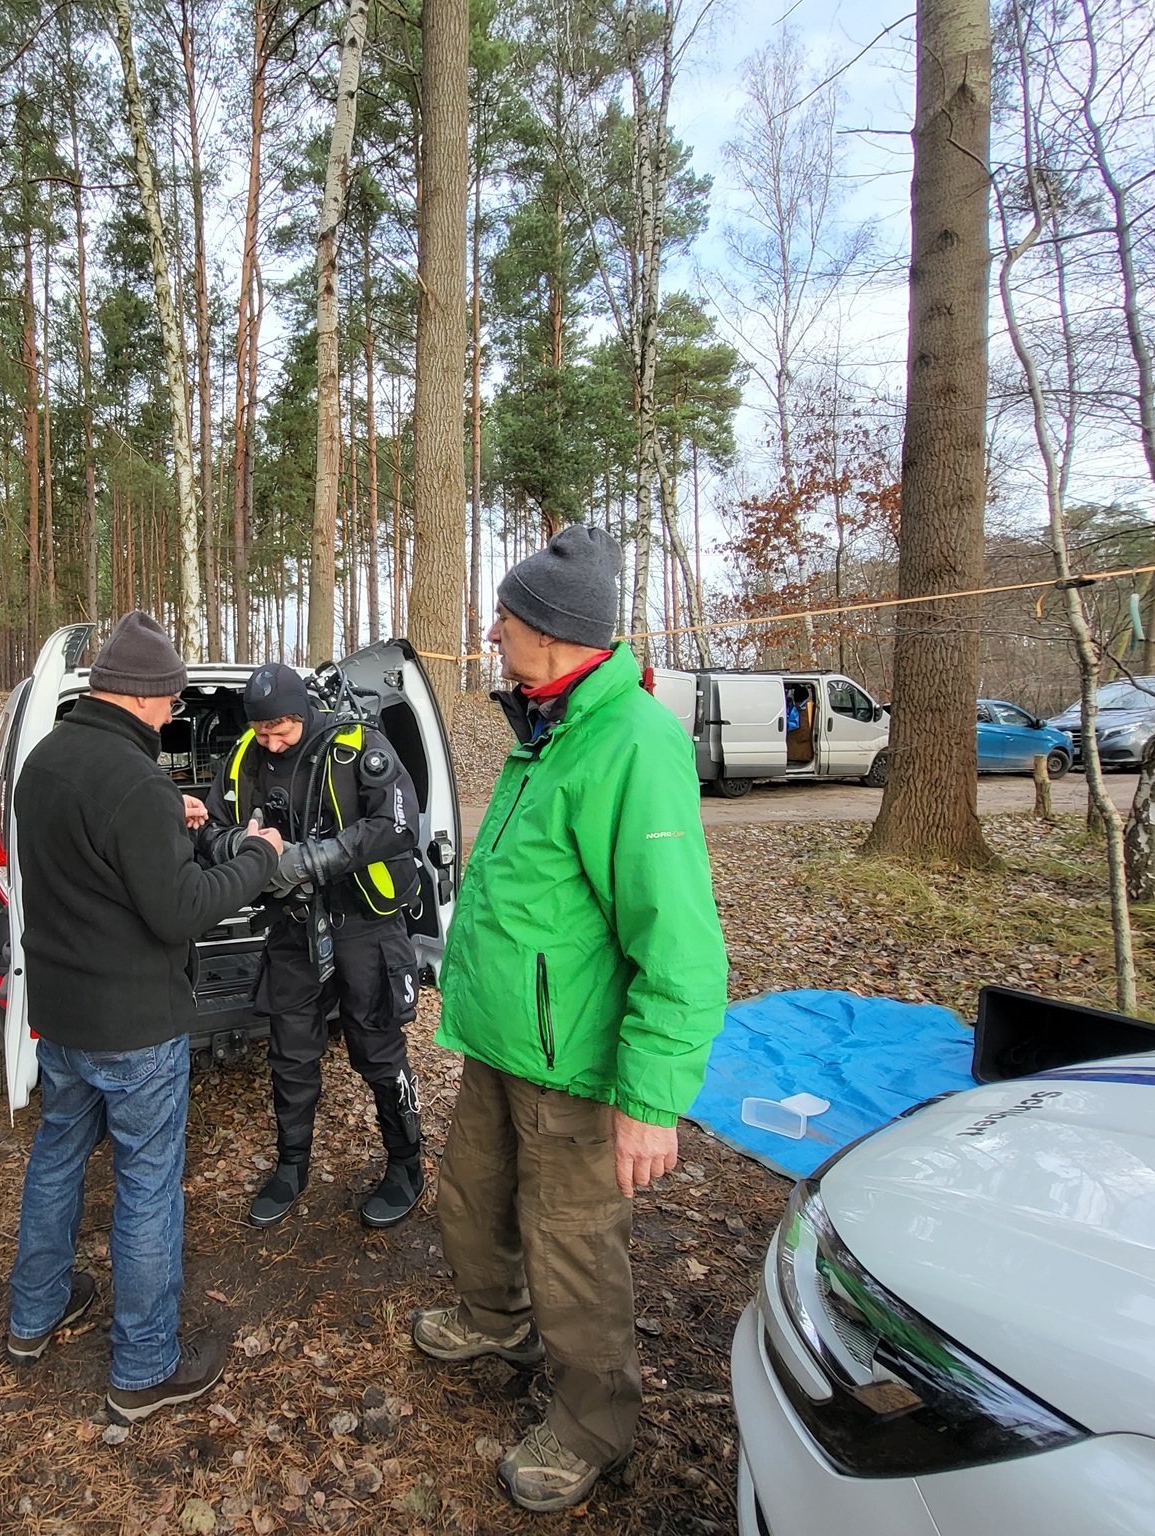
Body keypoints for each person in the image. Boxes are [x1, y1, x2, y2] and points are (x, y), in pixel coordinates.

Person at [408, 525, 729, 1513]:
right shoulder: (547, 726)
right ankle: (493, 1317)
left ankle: (593, 1421)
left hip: (575, 1064)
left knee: (573, 1249)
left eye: (503, 619)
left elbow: (677, 939)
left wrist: (651, 1098)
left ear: (548, 631)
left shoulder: (630, 742)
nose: (491, 632)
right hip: (502, 1043)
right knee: (472, 1199)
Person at [5, 611, 283, 1425]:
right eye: (171, 699)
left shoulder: (45, 761)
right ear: (142, 696)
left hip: (63, 1017)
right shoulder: (135, 783)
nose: (173, 713)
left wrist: (174, 818)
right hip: (133, 1028)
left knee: (57, 1157)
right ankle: (144, 1366)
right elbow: (181, 910)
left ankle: (35, 1312)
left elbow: (98, 863)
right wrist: (258, 857)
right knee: (148, 1186)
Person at [201, 661, 427, 1229]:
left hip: (365, 924)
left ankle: (406, 1164)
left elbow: (400, 825)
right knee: (291, 1051)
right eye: (261, 731)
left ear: (302, 712)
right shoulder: (244, 759)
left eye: (280, 729)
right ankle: (291, 1165)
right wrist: (245, 847)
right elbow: (209, 828)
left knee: (378, 1050)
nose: (271, 742)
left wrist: (315, 858)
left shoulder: (355, 747)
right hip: (294, 928)